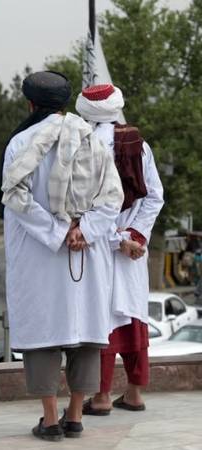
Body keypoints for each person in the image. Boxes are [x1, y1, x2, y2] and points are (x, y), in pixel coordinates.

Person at [0, 71, 124, 441]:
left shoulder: (20, 143)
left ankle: (51, 420)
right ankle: (76, 416)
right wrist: (83, 231)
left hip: (40, 256)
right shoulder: (93, 142)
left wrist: (57, 232)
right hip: (85, 256)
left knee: (44, 333)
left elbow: (16, 199)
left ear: (30, 104)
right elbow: (113, 198)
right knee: (84, 332)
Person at [75, 84, 164, 415]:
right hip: (134, 251)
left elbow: (85, 206)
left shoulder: (82, 145)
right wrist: (135, 237)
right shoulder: (140, 145)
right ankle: (134, 393)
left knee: (102, 321)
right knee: (134, 317)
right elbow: (154, 196)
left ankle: (100, 397)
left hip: (99, 246)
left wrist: (116, 239)